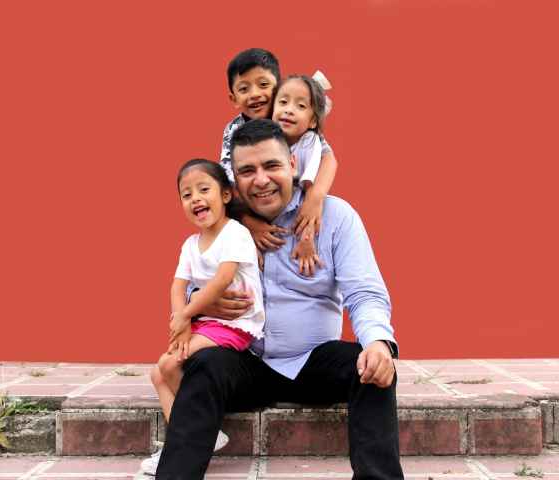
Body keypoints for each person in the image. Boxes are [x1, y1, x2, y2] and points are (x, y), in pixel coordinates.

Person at [155, 120, 403, 480]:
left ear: (293, 165)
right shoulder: (223, 228)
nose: (260, 180)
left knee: (373, 369)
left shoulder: (335, 217)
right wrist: (201, 302)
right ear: (233, 182)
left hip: (312, 361)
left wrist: (378, 343)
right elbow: (193, 282)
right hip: (244, 361)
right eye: (247, 171)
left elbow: (364, 291)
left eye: (271, 166)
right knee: (204, 365)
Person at [142, 159, 265, 476]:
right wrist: (179, 318)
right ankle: (201, 436)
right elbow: (177, 284)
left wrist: (186, 314)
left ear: (225, 195)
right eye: (186, 194)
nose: (195, 198)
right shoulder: (190, 244)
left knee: (169, 365)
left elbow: (223, 280)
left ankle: (192, 438)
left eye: (203, 189)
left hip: (236, 324)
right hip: (203, 321)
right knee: (158, 375)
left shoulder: (235, 233)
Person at [221, 48, 337, 276]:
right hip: (251, 207)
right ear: (233, 98)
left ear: (278, 87)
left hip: (295, 204)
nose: (255, 94)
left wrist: (315, 198)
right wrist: (248, 223)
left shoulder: (291, 119)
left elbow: (328, 158)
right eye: (244, 89)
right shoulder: (234, 131)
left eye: (263, 85)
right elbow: (227, 185)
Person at [272, 73, 336, 276]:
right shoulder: (267, 137)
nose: (289, 110)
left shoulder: (309, 142)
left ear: (313, 122)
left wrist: (306, 239)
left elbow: (308, 199)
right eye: (283, 102)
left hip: (295, 212)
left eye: (301, 106)